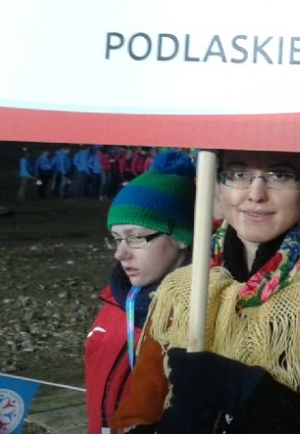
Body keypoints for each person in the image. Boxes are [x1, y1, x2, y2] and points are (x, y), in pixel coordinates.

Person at [113, 149, 300, 433]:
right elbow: (132, 417)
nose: (256, 194)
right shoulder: (181, 290)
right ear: (217, 185)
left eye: (280, 175)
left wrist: (250, 393)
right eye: (238, 174)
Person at [85, 150, 196, 434]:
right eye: (117, 239)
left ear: (181, 237)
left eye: (136, 238)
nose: (120, 254)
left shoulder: (199, 316)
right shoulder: (115, 301)